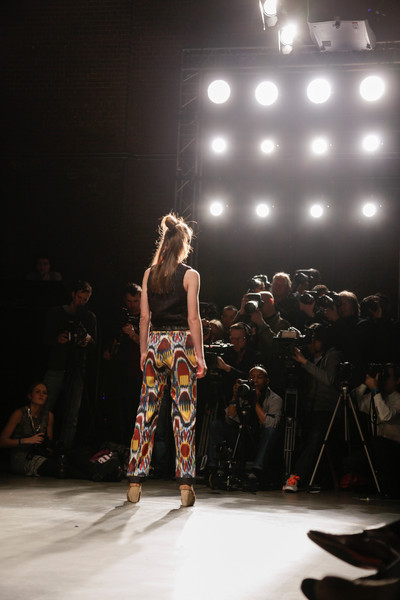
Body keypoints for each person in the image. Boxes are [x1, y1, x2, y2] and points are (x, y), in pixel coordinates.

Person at [126, 213, 206, 507]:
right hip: (181, 346)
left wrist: (143, 351)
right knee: (184, 413)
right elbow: (193, 319)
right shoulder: (190, 275)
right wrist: (200, 356)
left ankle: (134, 482)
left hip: (155, 344)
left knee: (146, 411)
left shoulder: (150, 274)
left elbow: (144, 317)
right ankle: (185, 486)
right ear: (184, 245)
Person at [283, 325, 341, 492]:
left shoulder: (332, 355)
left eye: (316, 339)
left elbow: (329, 379)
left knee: (314, 437)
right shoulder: (305, 356)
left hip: (326, 409)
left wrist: (304, 362)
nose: (312, 343)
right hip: (307, 407)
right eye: (310, 339)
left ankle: (295, 477)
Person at [207, 366, 282, 488]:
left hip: (260, 441)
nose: (255, 381)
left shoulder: (275, 399)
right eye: (252, 377)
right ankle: (214, 469)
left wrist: (254, 402)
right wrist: (234, 397)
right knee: (217, 425)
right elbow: (230, 419)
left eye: (259, 377)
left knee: (271, 431)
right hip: (241, 438)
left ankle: (256, 472)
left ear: (267, 381)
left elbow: (271, 424)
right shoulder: (244, 393)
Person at [43, 280, 96, 449]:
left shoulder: (89, 317)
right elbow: (44, 338)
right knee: (45, 408)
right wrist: (57, 339)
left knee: (72, 414)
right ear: (73, 294)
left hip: (77, 367)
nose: (82, 302)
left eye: (85, 299)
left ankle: (64, 449)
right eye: (79, 297)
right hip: (57, 364)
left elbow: (94, 344)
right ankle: (40, 444)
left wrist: (88, 339)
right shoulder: (57, 313)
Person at [0, 382, 58, 477]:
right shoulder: (19, 414)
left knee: (66, 462)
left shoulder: (49, 416)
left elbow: (49, 444)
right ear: (30, 396)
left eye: (44, 393)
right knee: (54, 467)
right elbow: (2, 442)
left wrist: (49, 447)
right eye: (37, 392)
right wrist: (27, 440)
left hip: (41, 455)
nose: (41, 395)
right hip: (22, 457)